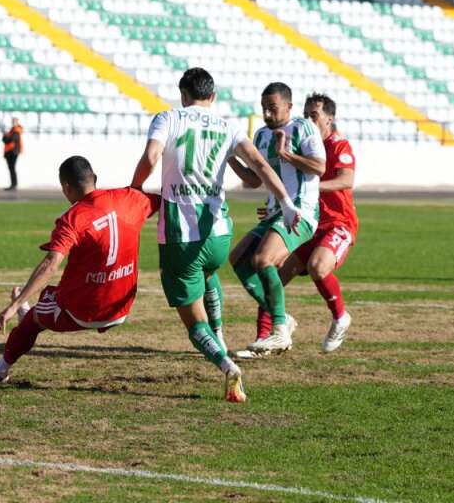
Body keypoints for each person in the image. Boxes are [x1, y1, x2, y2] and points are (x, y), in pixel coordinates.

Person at [130, 68, 303, 402]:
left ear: (183, 94)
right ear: (213, 96)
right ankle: (221, 332)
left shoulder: (168, 118)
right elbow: (261, 167)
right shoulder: (228, 124)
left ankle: (226, 364)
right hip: (219, 233)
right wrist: (287, 203)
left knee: (193, 320)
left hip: (181, 234)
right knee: (208, 272)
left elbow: (152, 156)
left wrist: (134, 189)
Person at [0, 156, 158, 384]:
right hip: (121, 306)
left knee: (33, 320)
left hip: (83, 310)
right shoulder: (129, 198)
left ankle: (1, 367)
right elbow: (164, 202)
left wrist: (13, 307)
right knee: (45, 305)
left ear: (66, 187)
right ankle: (37, 312)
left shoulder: (72, 219)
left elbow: (50, 264)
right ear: (94, 178)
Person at [240, 92, 355, 357]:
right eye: (307, 114)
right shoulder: (300, 137)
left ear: (330, 119)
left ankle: (340, 317)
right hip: (301, 220)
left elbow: (346, 180)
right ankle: (264, 338)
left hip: (337, 223)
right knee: (273, 273)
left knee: (316, 266)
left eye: (314, 115)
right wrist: (278, 205)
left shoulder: (338, 146)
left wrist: (307, 192)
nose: (309, 119)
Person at [226, 81, 325, 356]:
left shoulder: (304, 128)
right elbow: (252, 180)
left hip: (301, 213)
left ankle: (280, 331)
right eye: (264, 109)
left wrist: (285, 154)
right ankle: (283, 318)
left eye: (273, 108)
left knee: (262, 260)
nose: (267, 115)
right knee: (238, 261)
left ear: (289, 107)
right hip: (275, 214)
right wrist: (229, 158)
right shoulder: (260, 136)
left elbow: (319, 166)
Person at [2, 117, 23, 190]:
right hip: (10, 151)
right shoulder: (12, 130)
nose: (13, 123)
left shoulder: (16, 131)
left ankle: (14, 184)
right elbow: (5, 140)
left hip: (13, 151)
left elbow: (9, 140)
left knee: (12, 168)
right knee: (11, 168)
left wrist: (6, 136)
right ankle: (13, 184)